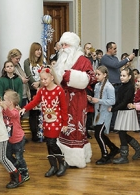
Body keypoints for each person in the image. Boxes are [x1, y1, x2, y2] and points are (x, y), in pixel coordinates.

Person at [53, 32, 96, 168]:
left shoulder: (83, 60)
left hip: (77, 98)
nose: (63, 48)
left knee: (76, 127)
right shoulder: (61, 59)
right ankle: (64, 156)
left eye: (66, 45)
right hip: (63, 98)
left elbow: (91, 77)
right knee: (63, 126)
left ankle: (75, 158)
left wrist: (70, 75)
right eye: (62, 44)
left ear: (73, 46)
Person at [19, 66, 68, 177]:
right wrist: (24, 108)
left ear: (51, 77)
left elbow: (64, 108)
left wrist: (65, 123)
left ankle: (63, 162)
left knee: (52, 142)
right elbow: (34, 102)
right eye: (41, 79)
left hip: (56, 121)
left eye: (45, 79)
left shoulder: (59, 90)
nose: (43, 81)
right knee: (48, 144)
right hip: (46, 121)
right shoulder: (42, 91)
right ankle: (53, 166)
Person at [111, 67, 140, 164]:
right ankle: (138, 148)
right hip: (122, 111)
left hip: (126, 112)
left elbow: (125, 102)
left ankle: (124, 156)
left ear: (129, 77)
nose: (121, 77)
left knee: (122, 133)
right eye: (121, 75)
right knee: (122, 133)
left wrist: (113, 109)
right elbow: (119, 100)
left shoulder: (129, 87)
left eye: (124, 75)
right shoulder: (122, 86)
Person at [100, 42, 135, 130]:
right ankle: (108, 125)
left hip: (118, 85)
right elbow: (115, 65)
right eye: (114, 48)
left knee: (117, 104)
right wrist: (127, 58)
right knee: (110, 105)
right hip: (110, 85)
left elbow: (116, 68)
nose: (116, 50)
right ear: (109, 49)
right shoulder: (104, 58)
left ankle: (114, 125)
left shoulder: (115, 58)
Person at [86, 65, 116, 165]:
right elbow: (97, 99)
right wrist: (91, 99)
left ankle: (105, 155)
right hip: (98, 113)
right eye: (96, 74)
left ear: (105, 74)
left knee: (98, 134)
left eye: (98, 74)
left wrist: (98, 100)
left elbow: (112, 101)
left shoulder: (109, 87)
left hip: (105, 114)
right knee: (100, 134)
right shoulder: (98, 86)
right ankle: (114, 148)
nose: (96, 76)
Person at [0, 90, 29, 181]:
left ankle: (25, 173)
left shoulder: (15, 112)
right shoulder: (4, 111)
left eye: (5, 100)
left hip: (18, 139)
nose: (3, 101)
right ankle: (16, 167)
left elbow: (11, 114)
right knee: (7, 155)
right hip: (9, 139)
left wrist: (4, 107)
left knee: (19, 157)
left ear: (10, 102)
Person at [23, 42, 44, 142]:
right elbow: (28, 74)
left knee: (42, 111)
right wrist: (34, 84)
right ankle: (35, 134)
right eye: (37, 50)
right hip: (32, 90)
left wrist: (39, 83)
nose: (39, 52)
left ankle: (42, 133)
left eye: (40, 49)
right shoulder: (27, 62)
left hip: (42, 88)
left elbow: (46, 74)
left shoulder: (43, 62)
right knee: (33, 112)